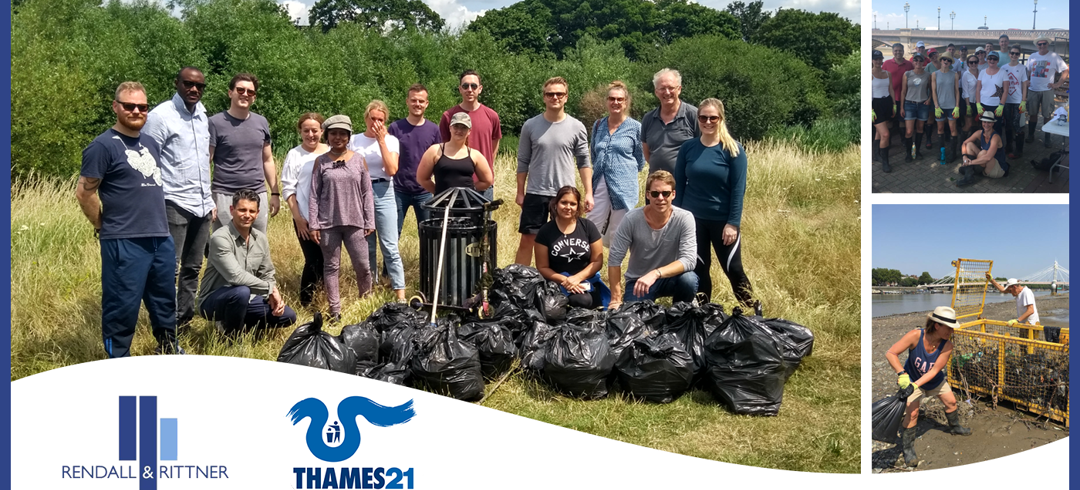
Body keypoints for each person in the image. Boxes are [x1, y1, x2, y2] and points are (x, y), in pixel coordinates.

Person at [76, 81, 180, 357]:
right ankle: (118, 361)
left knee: (165, 301)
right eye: (129, 106)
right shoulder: (102, 146)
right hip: (124, 238)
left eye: (142, 106)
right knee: (122, 305)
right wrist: (102, 225)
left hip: (160, 235)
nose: (136, 111)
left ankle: (169, 349)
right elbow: (84, 193)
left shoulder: (150, 142)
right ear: (116, 107)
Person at [142, 66, 213, 328]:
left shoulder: (203, 115)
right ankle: (163, 324)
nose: (194, 89)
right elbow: (147, 161)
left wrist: (210, 200)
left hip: (202, 204)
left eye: (199, 86)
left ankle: (182, 320)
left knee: (193, 267)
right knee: (168, 268)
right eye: (188, 84)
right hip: (173, 202)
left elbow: (203, 161)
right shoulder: (160, 116)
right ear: (177, 83)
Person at [674, 98, 753, 307]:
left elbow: (738, 189)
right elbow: (679, 186)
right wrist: (678, 219)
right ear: (697, 119)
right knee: (699, 269)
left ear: (721, 119)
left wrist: (733, 223)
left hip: (722, 221)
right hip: (693, 220)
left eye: (713, 118)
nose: (708, 122)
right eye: (703, 117)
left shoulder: (734, 150)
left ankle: (753, 313)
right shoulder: (688, 148)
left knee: (733, 269)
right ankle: (704, 313)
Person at [514, 76, 592, 266]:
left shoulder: (577, 127)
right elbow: (523, 160)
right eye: (550, 94)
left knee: (563, 242)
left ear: (566, 97)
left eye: (559, 94)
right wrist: (520, 191)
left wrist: (588, 192)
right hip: (536, 192)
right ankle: (518, 282)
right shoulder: (530, 126)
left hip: (564, 195)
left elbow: (584, 161)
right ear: (544, 97)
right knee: (528, 240)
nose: (555, 97)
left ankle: (560, 283)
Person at [197, 189, 297, 333]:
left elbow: (267, 273)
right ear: (232, 210)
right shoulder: (220, 238)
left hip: (248, 297)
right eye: (242, 210)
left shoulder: (260, 239)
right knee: (240, 293)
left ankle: (244, 324)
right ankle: (231, 337)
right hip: (214, 299)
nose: (247, 215)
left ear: (257, 213)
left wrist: (272, 294)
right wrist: (270, 289)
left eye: (252, 211)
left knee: (287, 316)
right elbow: (235, 276)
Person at [885, 306, 971, 468]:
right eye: (949, 328)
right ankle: (908, 447)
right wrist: (901, 373)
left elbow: (935, 370)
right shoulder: (916, 336)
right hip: (911, 379)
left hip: (933, 380)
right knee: (913, 413)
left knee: (951, 402)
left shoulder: (947, 345)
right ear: (937, 325)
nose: (951, 331)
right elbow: (891, 353)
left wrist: (915, 385)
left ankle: (955, 427)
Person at [309, 115, 376, 322]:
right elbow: (313, 194)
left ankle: (367, 306)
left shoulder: (358, 160)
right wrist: (313, 224)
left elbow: (367, 193)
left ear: (348, 136)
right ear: (327, 136)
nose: (338, 137)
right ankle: (335, 311)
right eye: (333, 133)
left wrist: (369, 220)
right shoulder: (320, 162)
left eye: (342, 134)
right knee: (331, 267)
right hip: (328, 223)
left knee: (363, 267)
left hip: (355, 223)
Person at [607, 171, 698, 307]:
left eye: (665, 193)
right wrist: (615, 298)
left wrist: (656, 273)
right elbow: (615, 257)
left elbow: (689, 260)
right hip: (639, 281)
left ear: (673, 194)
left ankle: (680, 314)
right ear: (647, 195)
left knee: (689, 280)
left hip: (670, 277)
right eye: (655, 194)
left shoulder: (685, 218)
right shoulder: (631, 219)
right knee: (633, 318)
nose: (660, 198)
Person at [349, 100, 406, 302]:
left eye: (380, 120)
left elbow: (391, 169)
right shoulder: (354, 140)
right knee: (367, 246)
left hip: (384, 190)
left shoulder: (391, 141)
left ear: (385, 121)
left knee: (390, 245)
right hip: (360, 191)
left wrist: (381, 140)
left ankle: (400, 293)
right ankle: (369, 291)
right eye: (373, 119)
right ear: (366, 118)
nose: (376, 123)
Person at [208, 73, 279, 233]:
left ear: (254, 97)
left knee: (256, 245)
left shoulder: (261, 122)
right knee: (226, 245)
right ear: (230, 93)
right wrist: (207, 198)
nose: (245, 94)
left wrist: (275, 193)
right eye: (240, 90)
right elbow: (207, 161)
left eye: (250, 92)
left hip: (257, 194)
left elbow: (267, 160)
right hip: (225, 195)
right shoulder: (215, 122)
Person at [587, 80, 645, 246]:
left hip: (623, 188)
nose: (615, 102)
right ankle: (588, 268)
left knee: (618, 235)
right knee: (591, 227)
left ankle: (615, 271)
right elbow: (594, 154)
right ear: (606, 101)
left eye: (620, 99)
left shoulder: (635, 128)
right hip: (599, 184)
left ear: (626, 102)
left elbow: (640, 160)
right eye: (612, 99)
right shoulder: (598, 125)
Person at [280, 113, 329, 307]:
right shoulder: (295, 154)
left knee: (329, 260)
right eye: (306, 130)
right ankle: (307, 303)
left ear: (322, 131)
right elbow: (288, 189)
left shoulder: (332, 150)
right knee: (313, 260)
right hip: (305, 218)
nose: (311, 135)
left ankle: (327, 299)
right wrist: (298, 218)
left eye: (315, 130)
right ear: (300, 131)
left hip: (330, 218)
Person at [534, 186, 608, 309]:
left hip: (585, 279)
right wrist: (566, 280)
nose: (568, 207)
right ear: (556, 204)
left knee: (588, 301)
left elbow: (597, 261)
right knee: (559, 308)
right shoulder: (545, 231)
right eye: (564, 202)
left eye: (572, 204)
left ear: (577, 207)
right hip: (557, 280)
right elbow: (542, 267)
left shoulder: (588, 227)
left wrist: (577, 278)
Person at [440, 70, 502, 200]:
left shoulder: (491, 116)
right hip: (454, 186)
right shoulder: (448, 116)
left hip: (483, 184)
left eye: (473, 86)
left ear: (480, 89)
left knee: (483, 221)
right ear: (460, 89)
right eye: (465, 86)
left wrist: (485, 168)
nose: (469, 89)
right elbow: (444, 148)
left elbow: (494, 145)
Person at [389, 84, 441, 232]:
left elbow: (438, 160)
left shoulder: (433, 130)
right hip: (398, 190)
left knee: (428, 234)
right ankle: (392, 257)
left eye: (421, 101)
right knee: (393, 233)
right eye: (413, 100)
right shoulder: (395, 128)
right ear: (407, 102)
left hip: (424, 191)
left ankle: (427, 257)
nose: (417, 104)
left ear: (426, 104)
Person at [416, 112, 494, 195]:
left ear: (469, 131)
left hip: (467, 205)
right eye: (456, 126)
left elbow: (487, 181)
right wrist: (439, 193)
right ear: (450, 128)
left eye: (464, 127)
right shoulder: (434, 150)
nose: (459, 130)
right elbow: (422, 178)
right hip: (442, 205)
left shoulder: (475, 155)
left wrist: (469, 191)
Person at [641, 68, 699, 174]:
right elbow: (647, 153)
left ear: (679, 89)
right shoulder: (648, 119)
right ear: (656, 92)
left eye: (671, 88)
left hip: (686, 184)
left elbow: (704, 147)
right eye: (662, 88)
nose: (667, 92)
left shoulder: (693, 115)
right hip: (657, 186)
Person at [1025, 36, 1069, 147]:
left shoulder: (1054, 56)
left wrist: (1058, 84)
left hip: (1047, 90)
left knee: (1047, 114)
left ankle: (1047, 138)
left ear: (1047, 44)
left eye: (1044, 43)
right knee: (1032, 113)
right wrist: (1027, 81)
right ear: (1037, 45)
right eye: (1039, 44)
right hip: (1033, 89)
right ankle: (1031, 135)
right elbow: (1028, 71)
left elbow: (1065, 70)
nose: (1042, 46)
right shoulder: (1032, 57)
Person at [957, 111, 1008, 187]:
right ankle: (969, 175)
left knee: (984, 153)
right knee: (969, 144)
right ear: (981, 122)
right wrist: (964, 157)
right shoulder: (980, 133)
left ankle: (969, 170)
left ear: (993, 123)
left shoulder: (995, 137)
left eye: (989, 122)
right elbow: (964, 143)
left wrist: (969, 163)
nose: (986, 125)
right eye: (984, 122)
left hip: (997, 169)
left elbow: (988, 158)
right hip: (984, 163)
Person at [900, 53, 932, 161]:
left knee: (920, 129)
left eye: (920, 60)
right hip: (910, 104)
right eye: (916, 60)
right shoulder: (907, 74)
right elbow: (903, 91)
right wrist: (901, 107)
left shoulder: (928, 75)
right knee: (909, 131)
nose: (918, 62)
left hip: (922, 105)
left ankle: (917, 151)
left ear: (923, 62)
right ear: (913, 62)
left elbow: (931, 89)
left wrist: (929, 99)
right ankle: (909, 153)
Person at [930, 53, 961, 162]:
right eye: (944, 59)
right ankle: (941, 151)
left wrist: (957, 106)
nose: (946, 61)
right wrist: (936, 106)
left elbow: (957, 91)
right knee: (940, 129)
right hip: (940, 106)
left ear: (951, 62)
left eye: (948, 60)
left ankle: (953, 153)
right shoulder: (935, 74)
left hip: (951, 106)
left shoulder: (954, 74)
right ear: (941, 61)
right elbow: (933, 91)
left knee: (953, 129)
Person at [1001, 45, 1029, 159]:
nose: (1014, 55)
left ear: (1019, 55)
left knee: (1016, 123)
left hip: (1017, 100)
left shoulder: (1022, 68)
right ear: (1009, 54)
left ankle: (1019, 150)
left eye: (1017, 54)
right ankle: (1008, 145)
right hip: (1007, 100)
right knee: (1007, 123)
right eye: (1012, 53)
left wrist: (1024, 100)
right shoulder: (1003, 67)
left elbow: (1024, 84)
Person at [872, 50, 898, 172]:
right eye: (875, 59)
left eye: (879, 59)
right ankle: (885, 162)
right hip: (875, 105)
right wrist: (870, 109)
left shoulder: (888, 74)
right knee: (885, 134)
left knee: (880, 132)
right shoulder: (868, 74)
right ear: (872, 60)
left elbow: (891, 89)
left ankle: (876, 153)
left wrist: (894, 104)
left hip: (887, 102)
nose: (878, 61)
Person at [883, 43, 915, 143]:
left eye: (900, 50)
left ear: (903, 51)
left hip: (905, 97)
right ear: (892, 52)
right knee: (889, 120)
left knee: (902, 121)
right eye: (896, 50)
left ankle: (903, 141)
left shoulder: (909, 64)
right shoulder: (886, 63)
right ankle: (889, 141)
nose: (898, 52)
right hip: (890, 97)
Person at [976, 51, 1009, 136]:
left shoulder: (1003, 72)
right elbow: (978, 89)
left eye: (994, 59)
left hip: (996, 106)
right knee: (984, 127)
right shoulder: (982, 72)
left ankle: (997, 148)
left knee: (997, 128)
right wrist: (978, 104)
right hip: (983, 104)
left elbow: (1006, 90)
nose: (992, 60)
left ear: (998, 60)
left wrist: (1001, 105)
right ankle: (984, 147)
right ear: (987, 59)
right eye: (990, 58)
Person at [960, 54, 981, 137]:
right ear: (968, 63)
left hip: (978, 102)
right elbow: (965, 91)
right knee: (968, 124)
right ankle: (963, 143)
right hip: (968, 101)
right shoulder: (966, 74)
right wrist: (968, 105)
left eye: (975, 62)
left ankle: (973, 142)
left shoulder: (982, 73)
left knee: (976, 123)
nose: (973, 64)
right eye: (971, 62)